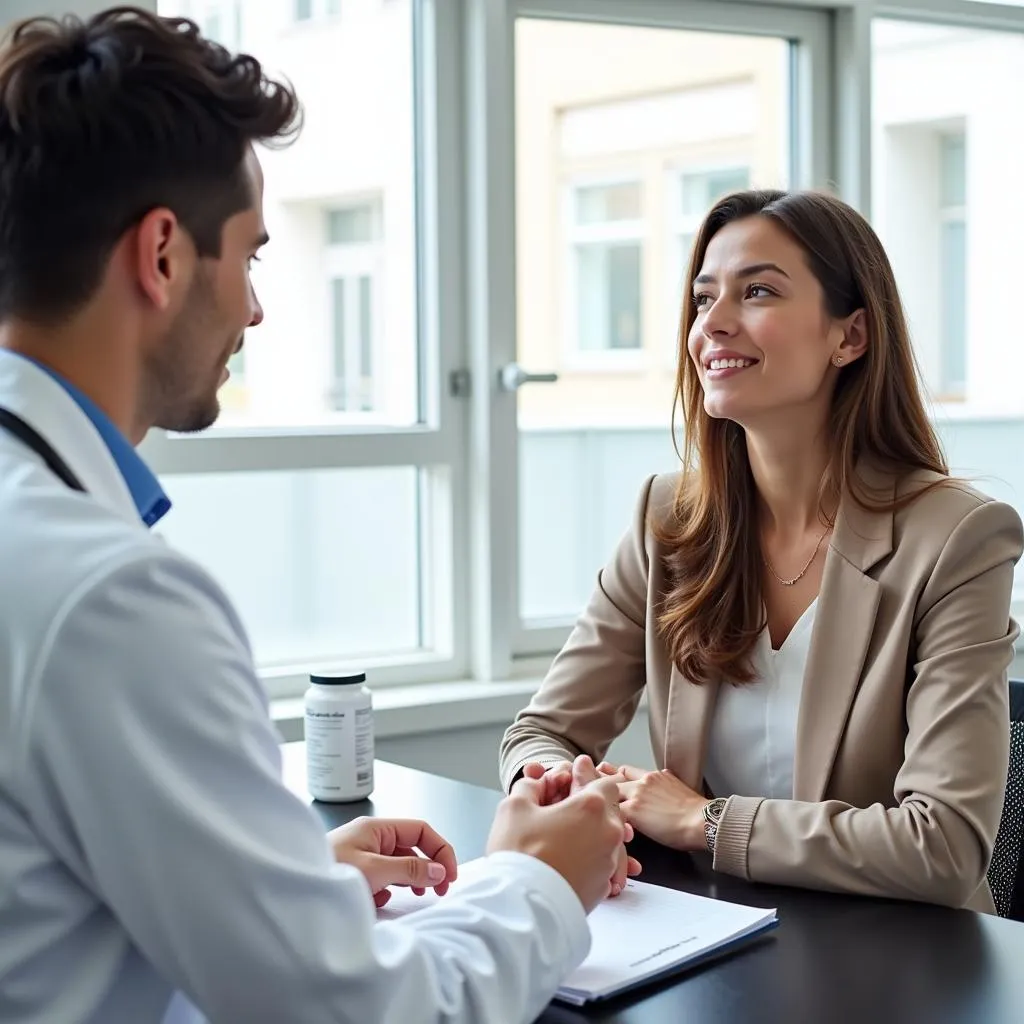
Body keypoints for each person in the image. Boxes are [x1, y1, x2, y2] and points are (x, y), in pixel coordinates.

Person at [0, 9, 632, 1024]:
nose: (254, 310)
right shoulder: (109, 595)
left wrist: (285, 884)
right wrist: (537, 879)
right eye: (249, 256)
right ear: (162, 254)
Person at [500, 187, 1024, 913]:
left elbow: (942, 846)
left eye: (757, 292)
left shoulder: (958, 539)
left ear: (851, 337)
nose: (712, 323)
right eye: (703, 297)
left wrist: (699, 821)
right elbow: (543, 732)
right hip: (716, 931)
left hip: (904, 959)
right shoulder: (667, 519)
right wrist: (562, 788)